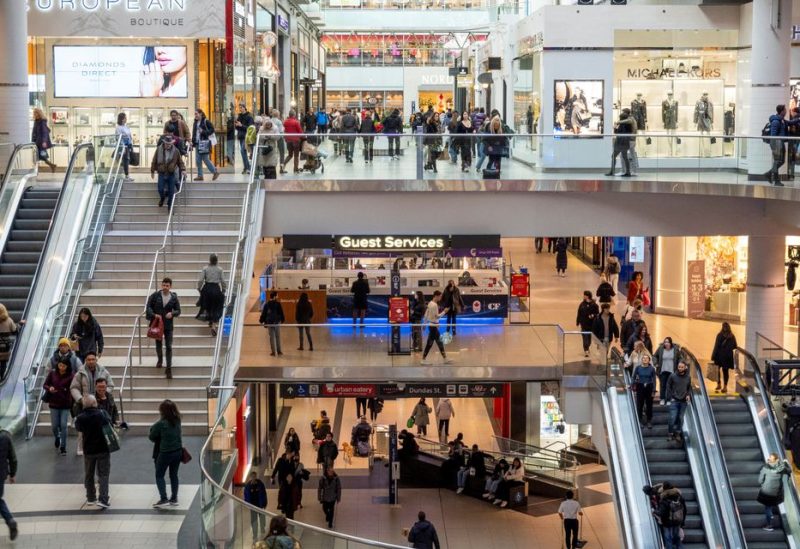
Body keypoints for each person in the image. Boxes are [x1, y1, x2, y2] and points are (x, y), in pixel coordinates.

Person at [69, 352, 113, 455]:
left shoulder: (103, 371)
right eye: (89, 359)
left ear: (96, 360)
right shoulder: (80, 373)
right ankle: (81, 447)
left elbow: (110, 385)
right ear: (86, 360)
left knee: (101, 425)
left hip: (100, 403)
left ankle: (103, 445)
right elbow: (74, 387)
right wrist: (80, 399)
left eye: (93, 359)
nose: (91, 361)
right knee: (83, 427)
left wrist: (103, 394)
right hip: (85, 404)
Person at [74, 395, 112, 508]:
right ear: (95, 403)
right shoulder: (101, 414)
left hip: (88, 450)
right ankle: (103, 499)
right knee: (103, 474)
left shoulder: (80, 417)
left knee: (89, 474)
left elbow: (78, 428)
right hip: (103, 448)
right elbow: (108, 423)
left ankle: (90, 497)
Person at [149, 399, 183, 508]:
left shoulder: (160, 424)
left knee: (159, 475)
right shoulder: (177, 420)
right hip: (178, 452)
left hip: (164, 453)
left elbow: (152, 436)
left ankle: (163, 498)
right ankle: (174, 498)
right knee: (174, 475)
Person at [146, 278, 182, 378]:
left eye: (167, 286)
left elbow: (179, 311)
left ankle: (169, 368)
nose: (165, 287)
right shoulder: (155, 295)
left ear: (170, 286)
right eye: (163, 285)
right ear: (161, 285)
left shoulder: (174, 297)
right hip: (157, 324)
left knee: (169, 346)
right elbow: (148, 307)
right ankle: (160, 359)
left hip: (168, 325)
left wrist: (172, 313)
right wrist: (154, 315)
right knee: (158, 344)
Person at [43, 357, 74, 456]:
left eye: (64, 366)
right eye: (60, 365)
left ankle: (63, 447)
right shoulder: (52, 373)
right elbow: (45, 385)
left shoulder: (71, 376)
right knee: (55, 425)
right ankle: (57, 437)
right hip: (54, 403)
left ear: (67, 366)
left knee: (64, 425)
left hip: (65, 404)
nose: (61, 367)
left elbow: (73, 387)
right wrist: (50, 388)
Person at [758, 453, 792, 531]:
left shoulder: (766, 467)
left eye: (770, 458)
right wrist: (786, 462)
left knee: (768, 507)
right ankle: (772, 517)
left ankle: (770, 524)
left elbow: (760, 480)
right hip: (776, 492)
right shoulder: (781, 468)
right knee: (770, 505)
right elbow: (789, 470)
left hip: (767, 491)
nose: (769, 459)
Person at [150, 135, 185, 210]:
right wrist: (152, 171)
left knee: (171, 191)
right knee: (160, 189)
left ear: (172, 143)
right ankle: (162, 198)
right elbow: (154, 160)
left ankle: (170, 207)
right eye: (167, 144)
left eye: (169, 144)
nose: (168, 145)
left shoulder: (176, 151)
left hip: (171, 173)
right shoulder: (159, 149)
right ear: (164, 143)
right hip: (162, 173)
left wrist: (183, 170)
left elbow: (180, 162)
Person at [197, 254, 226, 337]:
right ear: (217, 260)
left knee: (207, 305)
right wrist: (223, 289)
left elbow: (200, 280)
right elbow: (223, 281)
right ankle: (213, 325)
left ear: (209, 260)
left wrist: (199, 288)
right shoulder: (220, 269)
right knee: (216, 307)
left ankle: (209, 319)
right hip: (216, 289)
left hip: (207, 288)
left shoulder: (205, 269)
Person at [421, 291, 452, 365]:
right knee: (432, 343)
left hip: (432, 326)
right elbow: (437, 316)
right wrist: (444, 311)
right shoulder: (434, 305)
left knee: (436, 343)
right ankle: (423, 359)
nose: (441, 298)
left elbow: (426, 314)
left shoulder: (430, 303)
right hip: (433, 327)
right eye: (440, 296)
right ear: (436, 296)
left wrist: (424, 324)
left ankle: (444, 358)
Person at [666, 360, 691, 443]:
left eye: (682, 367)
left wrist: (688, 395)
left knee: (681, 418)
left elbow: (688, 388)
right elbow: (668, 386)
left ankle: (678, 433)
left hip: (683, 401)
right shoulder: (672, 376)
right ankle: (670, 433)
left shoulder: (688, 377)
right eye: (679, 367)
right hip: (674, 400)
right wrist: (670, 397)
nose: (680, 368)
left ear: (685, 367)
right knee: (672, 418)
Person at [191, 109, 220, 181]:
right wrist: (193, 142)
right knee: (198, 160)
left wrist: (203, 131)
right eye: (195, 114)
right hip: (197, 143)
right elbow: (194, 133)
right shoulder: (195, 122)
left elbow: (212, 130)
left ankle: (214, 171)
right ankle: (200, 176)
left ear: (201, 114)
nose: (196, 115)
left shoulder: (206, 121)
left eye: (196, 114)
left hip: (204, 143)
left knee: (205, 159)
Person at [605, 108, 635, 177]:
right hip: (624, 143)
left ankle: (613, 171)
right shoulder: (628, 124)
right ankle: (627, 172)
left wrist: (616, 126)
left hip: (620, 143)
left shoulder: (626, 123)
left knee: (614, 156)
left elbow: (617, 133)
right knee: (624, 157)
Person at [658, 481, 687, 548]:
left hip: (667, 523)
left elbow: (662, 511)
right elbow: (684, 510)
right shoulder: (679, 497)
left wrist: (655, 512)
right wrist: (682, 523)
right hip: (677, 521)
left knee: (668, 539)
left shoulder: (664, 499)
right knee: (677, 538)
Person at [0, 427, 17, 540]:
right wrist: (12, 473)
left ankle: (10, 520)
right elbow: (13, 458)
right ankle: (10, 520)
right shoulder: (5, 437)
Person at [711, 321, 737, 393]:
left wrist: (713, 356)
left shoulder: (719, 335)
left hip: (719, 356)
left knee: (717, 370)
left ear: (722, 327)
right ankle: (725, 387)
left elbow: (716, 346)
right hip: (727, 357)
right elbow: (735, 346)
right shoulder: (732, 336)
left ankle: (719, 384)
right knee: (725, 372)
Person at [653, 337, 680, 405]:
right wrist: (656, 363)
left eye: (668, 342)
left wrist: (679, 365)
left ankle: (668, 399)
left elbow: (680, 358)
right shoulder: (661, 348)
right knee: (663, 385)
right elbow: (654, 356)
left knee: (670, 385)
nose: (666, 343)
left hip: (672, 370)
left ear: (670, 343)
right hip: (663, 370)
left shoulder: (675, 349)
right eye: (665, 342)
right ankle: (662, 398)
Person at [633, 354, 657, 428]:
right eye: (643, 358)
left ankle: (649, 421)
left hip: (649, 387)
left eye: (647, 358)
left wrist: (653, 390)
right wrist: (632, 385)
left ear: (649, 360)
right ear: (641, 360)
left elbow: (654, 380)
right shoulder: (638, 368)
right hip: (640, 387)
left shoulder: (652, 368)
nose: (645, 359)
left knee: (649, 405)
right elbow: (633, 377)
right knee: (640, 405)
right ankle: (639, 421)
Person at [270, 450, 296, 518]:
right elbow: (276, 469)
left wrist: (292, 478)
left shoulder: (291, 461)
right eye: (290, 455)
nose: (290, 456)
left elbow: (293, 470)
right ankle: (283, 505)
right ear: (287, 454)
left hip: (289, 480)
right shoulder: (280, 460)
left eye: (291, 455)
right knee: (282, 492)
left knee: (288, 492)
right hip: (282, 480)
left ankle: (286, 505)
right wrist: (272, 476)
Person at [243, 471, 267, 540]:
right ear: (250, 477)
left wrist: (264, 503)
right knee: (254, 520)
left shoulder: (260, 484)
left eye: (254, 476)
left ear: (256, 477)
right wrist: (247, 504)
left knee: (262, 518)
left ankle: (262, 528)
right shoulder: (248, 486)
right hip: (252, 506)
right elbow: (246, 496)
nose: (253, 478)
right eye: (252, 477)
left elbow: (264, 494)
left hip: (260, 505)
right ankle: (255, 534)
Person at [260, 291, 285, 356]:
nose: (278, 296)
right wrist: (282, 320)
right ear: (274, 296)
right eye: (277, 295)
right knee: (277, 337)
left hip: (269, 323)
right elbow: (281, 313)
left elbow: (264, 314)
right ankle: (279, 351)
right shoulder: (278, 304)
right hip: (276, 322)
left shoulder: (267, 304)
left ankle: (273, 352)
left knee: (272, 337)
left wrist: (261, 321)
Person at [32, 107, 57, 172]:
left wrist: (44, 141)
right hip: (37, 141)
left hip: (40, 142)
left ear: (39, 113)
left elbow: (44, 132)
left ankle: (36, 171)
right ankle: (52, 165)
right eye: (34, 113)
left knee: (39, 156)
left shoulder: (41, 121)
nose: (34, 114)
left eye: (35, 113)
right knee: (40, 156)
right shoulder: (37, 121)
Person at [576, 291, 600, 357]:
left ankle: (587, 346)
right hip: (583, 324)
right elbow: (579, 313)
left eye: (584, 295)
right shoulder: (582, 304)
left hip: (591, 324)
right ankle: (586, 350)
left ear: (588, 296)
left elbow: (597, 314)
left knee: (589, 338)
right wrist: (578, 321)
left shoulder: (594, 305)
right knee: (585, 337)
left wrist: (592, 315)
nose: (583, 296)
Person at [0, 304, 20, 380]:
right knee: (3, 363)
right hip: (5, 346)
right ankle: (2, 377)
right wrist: (20, 323)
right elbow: (15, 331)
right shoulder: (8, 320)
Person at [235, 103, 255, 174]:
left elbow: (250, 128)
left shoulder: (249, 117)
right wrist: (237, 125)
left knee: (243, 151)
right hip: (241, 136)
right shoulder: (239, 116)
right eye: (239, 107)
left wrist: (241, 125)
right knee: (243, 152)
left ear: (244, 108)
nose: (240, 109)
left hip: (247, 137)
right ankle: (246, 167)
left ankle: (248, 167)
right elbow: (237, 127)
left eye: (241, 107)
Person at [115, 112, 134, 182]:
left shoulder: (126, 126)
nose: (126, 119)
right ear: (122, 119)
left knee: (127, 160)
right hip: (123, 146)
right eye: (125, 118)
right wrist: (123, 147)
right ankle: (126, 175)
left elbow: (129, 135)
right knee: (125, 161)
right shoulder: (118, 128)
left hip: (129, 145)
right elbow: (118, 138)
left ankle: (127, 175)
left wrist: (131, 144)